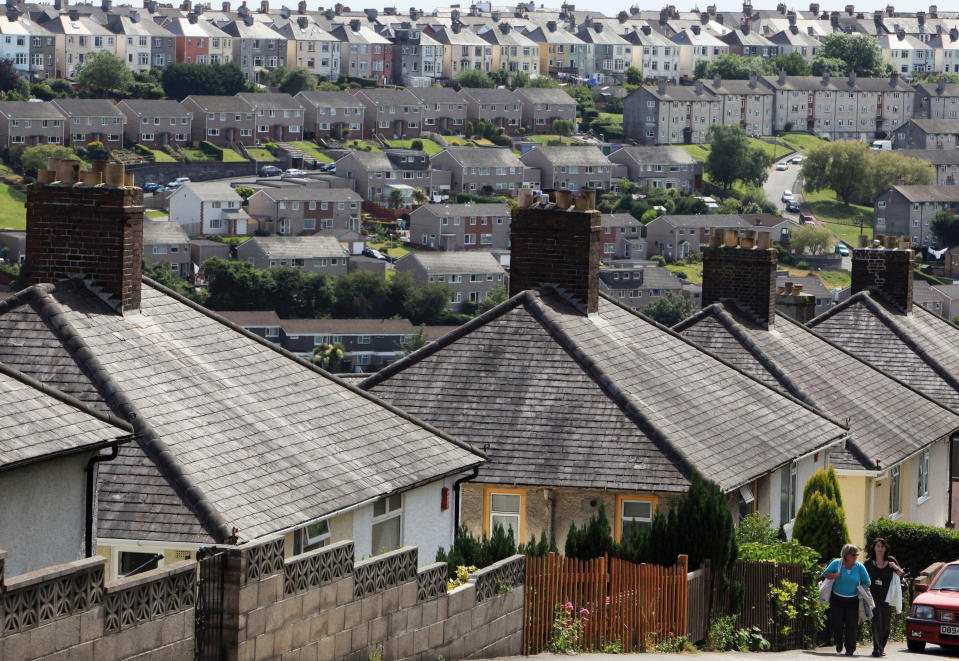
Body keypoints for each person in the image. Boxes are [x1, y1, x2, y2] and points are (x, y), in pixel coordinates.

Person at [822, 544, 871, 656]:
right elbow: (825, 574)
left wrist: (864, 589)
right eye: (853, 555)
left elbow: (867, 581)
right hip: (837, 599)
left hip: (853, 600)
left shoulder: (859, 567)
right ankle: (839, 642)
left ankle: (850, 649)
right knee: (837, 624)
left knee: (852, 626)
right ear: (846, 555)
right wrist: (835, 575)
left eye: (857, 555)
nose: (856, 557)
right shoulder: (836, 563)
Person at [864, 538, 904, 657]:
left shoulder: (891, 560)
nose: (880, 549)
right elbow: (862, 577)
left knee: (886, 624)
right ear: (874, 548)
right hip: (873, 596)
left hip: (888, 596)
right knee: (877, 619)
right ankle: (877, 648)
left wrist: (895, 567)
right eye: (878, 546)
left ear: (886, 548)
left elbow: (901, 574)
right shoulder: (868, 563)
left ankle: (882, 646)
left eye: (882, 546)